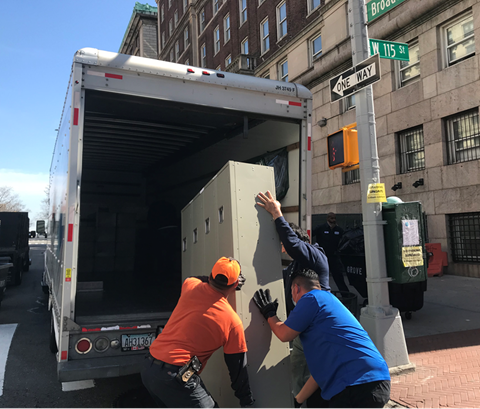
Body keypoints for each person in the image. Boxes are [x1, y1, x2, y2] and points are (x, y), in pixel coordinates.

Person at [252, 269, 391, 409]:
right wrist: (298, 401)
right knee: (315, 402)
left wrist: (270, 314)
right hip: (374, 380)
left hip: (356, 385)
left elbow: (284, 334)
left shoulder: (311, 299)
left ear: (296, 288)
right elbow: (320, 375)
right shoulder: (329, 302)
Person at [141, 257, 254, 409]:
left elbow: (193, 278)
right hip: (173, 377)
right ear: (236, 284)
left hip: (149, 369)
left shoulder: (190, 286)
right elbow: (237, 369)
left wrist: (209, 279)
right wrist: (247, 402)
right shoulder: (232, 321)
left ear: (210, 277)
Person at [256, 190, 329, 408]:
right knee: (300, 374)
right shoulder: (295, 268)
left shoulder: (316, 256)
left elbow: (293, 244)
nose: (282, 249)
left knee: (310, 375)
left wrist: (276, 213)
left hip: (316, 328)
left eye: (283, 244)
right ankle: (301, 401)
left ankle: (307, 403)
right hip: (304, 329)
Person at [313, 212, 349, 293]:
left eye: (334, 218)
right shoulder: (321, 228)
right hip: (323, 256)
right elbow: (311, 234)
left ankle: (345, 294)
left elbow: (344, 240)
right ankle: (319, 293)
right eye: (331, 218)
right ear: (327, 219)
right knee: (320, 276)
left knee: (338, 276)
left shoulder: (339, 230)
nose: (333, 220)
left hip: (334, 256)